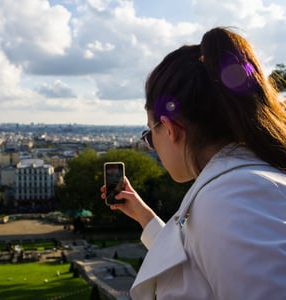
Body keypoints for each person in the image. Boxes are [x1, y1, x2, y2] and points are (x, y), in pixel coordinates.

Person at [101, 27, 286, 300]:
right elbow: (200, 263)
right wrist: (145, 217)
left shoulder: (231, 199)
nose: (153, 146)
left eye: (150, 136)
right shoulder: (240, 188)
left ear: (170, 128)